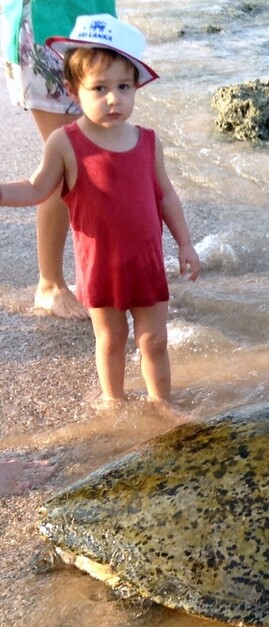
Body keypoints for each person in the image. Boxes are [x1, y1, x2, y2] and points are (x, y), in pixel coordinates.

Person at [0, 13, 201, 412]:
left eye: (124, 87)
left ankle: (163, 405)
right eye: (100, 88)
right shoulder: (65, 142)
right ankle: (114, 402)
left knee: (153, 341)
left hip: (146, 263)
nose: (114, 99)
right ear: (74, 92)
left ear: (136, 87)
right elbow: (38, 189)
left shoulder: (147, 141)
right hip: (101, 266)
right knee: (111, 341)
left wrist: (185, 243)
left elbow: (165, 196)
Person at [2, 0, 115, 318]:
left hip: (91, 27)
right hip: (46, 30)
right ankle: (50, 285)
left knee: (94, 155)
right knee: (68, 162)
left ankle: (100, 272)